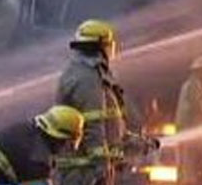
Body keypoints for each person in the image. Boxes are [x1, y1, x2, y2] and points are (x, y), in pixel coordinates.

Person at [54, 19, 158, 185]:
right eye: (110, 46)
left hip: (88, 172)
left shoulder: (92, 76)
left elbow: (110, 129)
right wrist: (101, 167)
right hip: (83, 175)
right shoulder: (86, 80)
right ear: (102, 47)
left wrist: (140, 144)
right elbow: (93, 127)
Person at [0, 104, 85, 185]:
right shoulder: (37, 157)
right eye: (68, 143)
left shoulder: (29, 130)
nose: (66, 149)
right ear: (59, 138)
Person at [175, 55, 202, 184]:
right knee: (189, 169)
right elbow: (199, 108)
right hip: (190, 133)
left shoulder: (195, 85)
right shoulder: (194, 85)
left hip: (188, 132)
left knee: (188, 168)